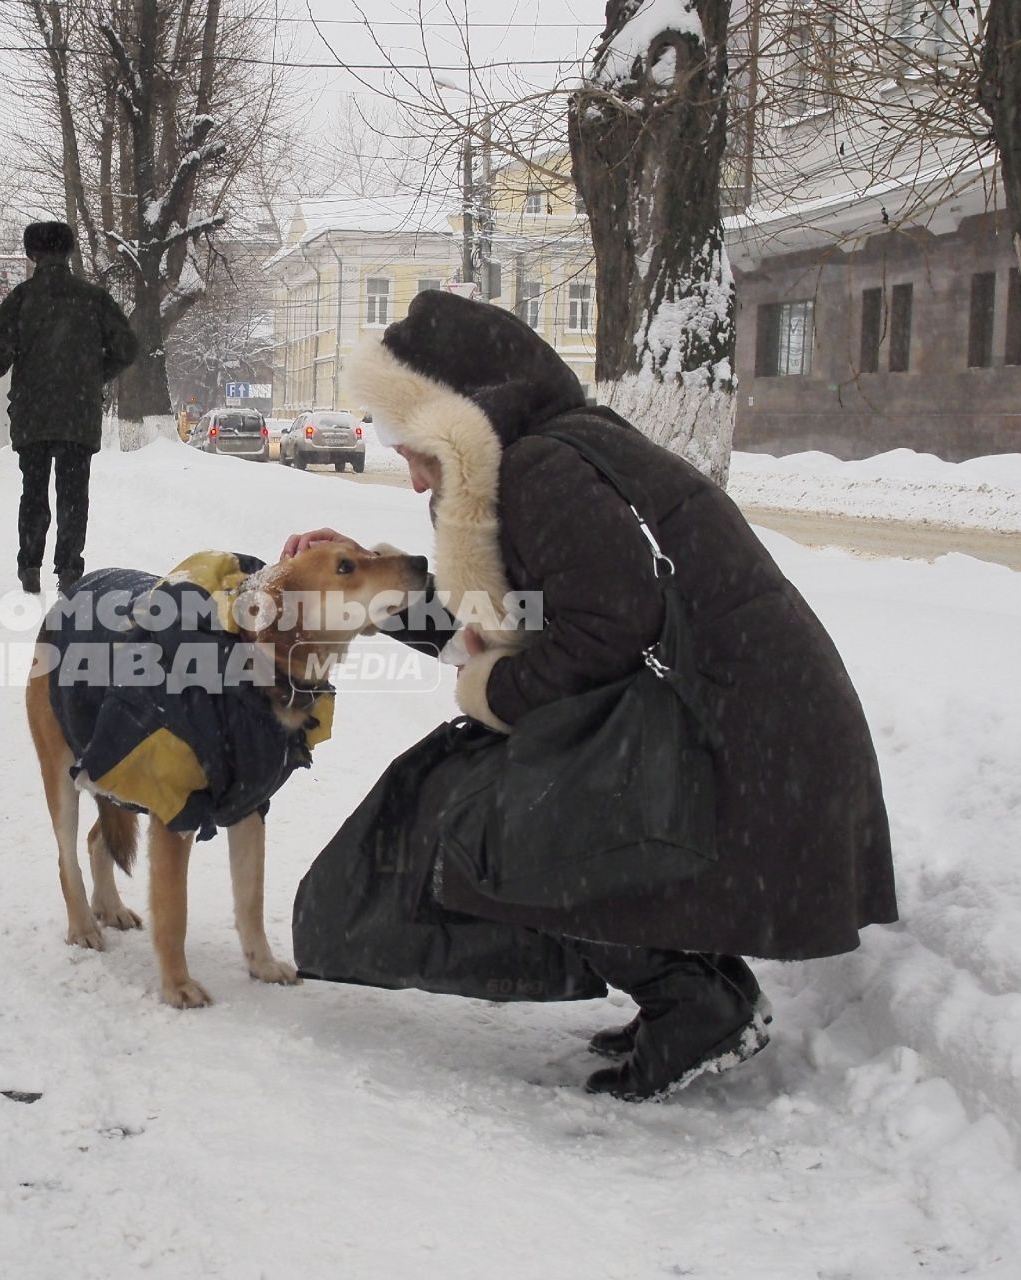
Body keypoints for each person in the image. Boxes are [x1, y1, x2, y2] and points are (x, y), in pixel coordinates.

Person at [284, 291, 897, 1102]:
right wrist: (362, 579)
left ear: (454, 424)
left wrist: (493, 690)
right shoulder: (551, 452)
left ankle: (694, 1003)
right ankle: (699, 984)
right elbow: (521, 618)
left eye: (414, 450)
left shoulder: (544, 470)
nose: (411, 477)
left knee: (497, 821)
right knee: (488, 795)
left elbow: (604, 628)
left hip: (734, 741)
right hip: (735, 732)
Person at [0, 221, 139, 594]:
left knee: (33, 489)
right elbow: (127, 348)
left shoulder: (22, 299)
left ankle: (30, 565)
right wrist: (92, 374)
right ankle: (69, 568)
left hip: (33, 412)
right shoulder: (94, 299)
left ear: (31, 254)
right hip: (79, 413)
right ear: (68, 252)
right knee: (73, 493)